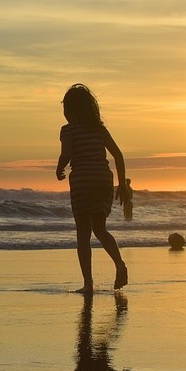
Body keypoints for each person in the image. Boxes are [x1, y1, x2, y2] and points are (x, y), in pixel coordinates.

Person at [55, 84, 131, 293]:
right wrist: (122, 184)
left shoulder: (68, 130)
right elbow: (118, 155)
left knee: (83, 234)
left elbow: (66, 154)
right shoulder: (99, 129)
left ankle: (88, 284)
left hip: (82, 182)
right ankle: (120, 264)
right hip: (102, 180)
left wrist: (59, 168)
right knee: (100, 228)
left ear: (70, 110)